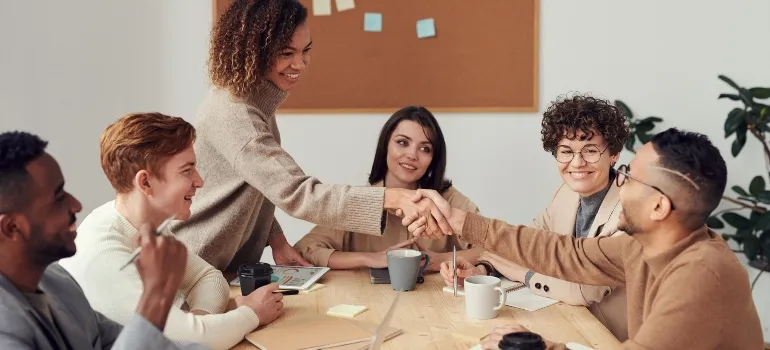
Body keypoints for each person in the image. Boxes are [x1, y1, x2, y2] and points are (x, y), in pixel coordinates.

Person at [406, 128, 764, 349]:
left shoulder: (701, 274)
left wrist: (542, 347)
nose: (618, 182)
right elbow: (565, 253)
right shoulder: (641, 245)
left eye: (627, 175)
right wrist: (460, 221)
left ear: (658, 205)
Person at [170, 0, 452, 272]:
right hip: (192, 266)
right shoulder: (237, 114)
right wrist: (390, 198)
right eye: (286, 53)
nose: (301, 63)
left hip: (220, 268)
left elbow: (260, 184)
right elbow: (298, 193)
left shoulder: (255, 102)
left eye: (306, 50)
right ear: (255, 51)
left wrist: (277, 240)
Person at [59, 113, 284, 350]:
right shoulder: (103, 253)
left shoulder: (146, 225)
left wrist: (200, 321)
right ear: (145, 183)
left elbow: (208, 278)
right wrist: (251, 313)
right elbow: (189, 341)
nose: (199, 181)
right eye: (187, 171)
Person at [440, 95, 629, 340]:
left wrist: (525, 274)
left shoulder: (630, 209)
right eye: (566, 151)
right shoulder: (564, 194)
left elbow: (583, 290)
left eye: (590, 150)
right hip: (566, 324)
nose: (577, 162)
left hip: (611, 338)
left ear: (614, 154)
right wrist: (483, 269)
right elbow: (525, 245)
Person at [0, 131, 209, 350]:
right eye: (59, 197)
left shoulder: (58, 282)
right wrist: (156, 294)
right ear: (12, 227)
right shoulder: (5, 333)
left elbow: (127, 342)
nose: (76, 205)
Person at [294, 106, 483, 270]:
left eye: (425, 148)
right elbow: (305, 249)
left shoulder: (448, 200)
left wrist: (442, 259)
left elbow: (495, 248)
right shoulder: (359, 201)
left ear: (433, 159)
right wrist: (371, 258)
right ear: (385, 145)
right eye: (402, 143)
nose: (412, 155)